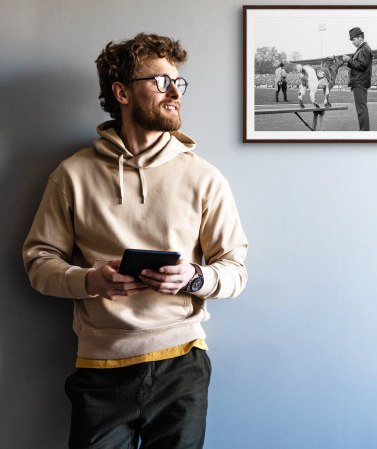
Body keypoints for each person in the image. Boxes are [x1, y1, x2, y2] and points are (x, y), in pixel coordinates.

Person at [22, 33, 248, 448]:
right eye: (161, 81)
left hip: (182, 365)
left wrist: (193, 278)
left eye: (178, 82)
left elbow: (235, 270)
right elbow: (38, 262)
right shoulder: (71, 175)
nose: (174, 91)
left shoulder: (205, 178)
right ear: (122, 92)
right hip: (99, 369)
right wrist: (90, 281)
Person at [343, 27, 373, 131]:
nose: (352, 42)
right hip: (360, 83)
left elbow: (362, 66)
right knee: (361, 109)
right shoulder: (362, 48)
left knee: (361, 110)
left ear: (360, 37)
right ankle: (364, 131)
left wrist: (349, 60)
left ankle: (364, 131)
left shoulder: (364, 48)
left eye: (353, 39)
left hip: (360, 83)